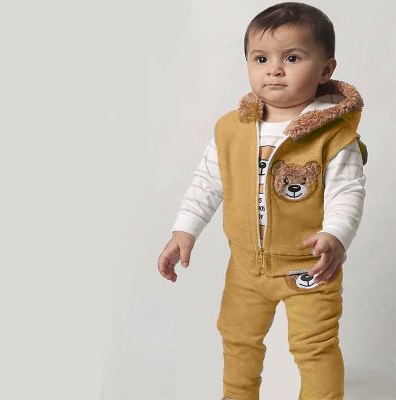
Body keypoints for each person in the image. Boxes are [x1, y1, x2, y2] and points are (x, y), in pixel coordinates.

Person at [157, 2, 368, 399]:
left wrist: (336, 236)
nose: (274, 69)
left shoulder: (334, 137)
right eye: (261, 58)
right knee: (237, 339)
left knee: (315, 346)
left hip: (309, 267)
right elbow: (207, 183)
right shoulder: (231, 129)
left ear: (325, 69)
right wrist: (184, 230)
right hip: (245, 267)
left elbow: (347, 193)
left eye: (292, 58)